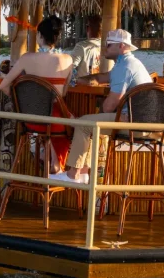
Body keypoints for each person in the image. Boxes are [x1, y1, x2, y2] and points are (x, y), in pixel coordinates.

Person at [63, 29, 152, 183]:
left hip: (134, 124)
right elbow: (100, 77)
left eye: (109, 45)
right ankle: (83, 172)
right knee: (87, 123)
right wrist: (76, 80)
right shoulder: (128, 63)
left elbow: (110, 105)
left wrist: (93, 116)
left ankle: (73, 174)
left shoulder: (124, 67)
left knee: (83, 124)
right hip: (146, 123)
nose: (105, 48)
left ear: (122, 46)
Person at [0, 15, 75, 175]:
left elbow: (3, 85)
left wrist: (21, 103)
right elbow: (63, 93)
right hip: (56, 122)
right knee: (74, 124)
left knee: (56, 122)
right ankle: (58, 165)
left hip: (30, 120)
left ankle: (49, 159)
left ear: (39, 35)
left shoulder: (27, 58)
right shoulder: (68, 59)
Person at [69, 15, 102, 81]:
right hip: (104, 87)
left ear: (87, 28)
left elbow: (69, 68)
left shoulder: (81, 47)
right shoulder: (108, 46)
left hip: (84, 88)